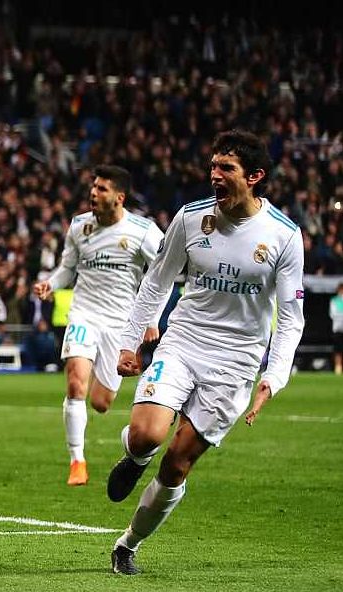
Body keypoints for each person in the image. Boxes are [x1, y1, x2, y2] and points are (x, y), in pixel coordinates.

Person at [107, 130, 304, 575]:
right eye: (213, 166)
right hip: (184, 342)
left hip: (236, 363)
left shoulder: (284, 237)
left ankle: (128, 544)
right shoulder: (191, 218)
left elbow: (291, 317)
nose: (214, 175)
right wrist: (130, 342)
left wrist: (273, 378)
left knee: (177, 462)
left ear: (254, 177)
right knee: (147, 436)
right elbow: (157, 281)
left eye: (226, 168)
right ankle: (134, 456)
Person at [33, 165, 164, 487]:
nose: (94, 193)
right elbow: (68, 267)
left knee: (101, 403)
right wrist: (51, 283)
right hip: (84, 314)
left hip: (120, 323)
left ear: (119, 197)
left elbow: (164, 274)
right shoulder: (79, 226)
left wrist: (151, 319)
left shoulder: (144, 231)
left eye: (102, 189)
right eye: (93, 187)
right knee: (76, 382)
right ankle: (77, 460)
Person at [331, 282, 343, 375]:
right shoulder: (334, 301)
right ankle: (338, 367)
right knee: (338, 349)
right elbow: (333, 314)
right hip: (338, 329)